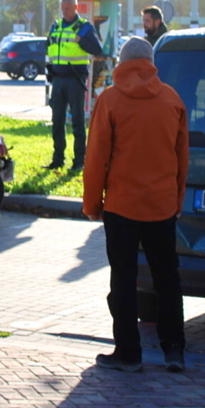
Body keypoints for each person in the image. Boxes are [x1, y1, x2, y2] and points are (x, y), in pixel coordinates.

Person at [83, 37, 189, 373]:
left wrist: (92, 203)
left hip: (121, 204)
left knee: (123, 279)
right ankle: (174, 349)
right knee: (167, 278)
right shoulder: (172, 100)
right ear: (152, 62)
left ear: (121, 62)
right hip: (161, 205)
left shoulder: (110, 100)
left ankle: (128, 351)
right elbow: (181, 157)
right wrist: (177, 199)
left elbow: (96, 157)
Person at [45, 0, 103, 170]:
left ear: (76, 8)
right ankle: (57, 159)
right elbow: (49, 48)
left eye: (68, 8)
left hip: (75, 79)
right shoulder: (56, 26)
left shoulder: (83, 27)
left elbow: (97, 49)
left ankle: (79, 161)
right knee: (57, 121)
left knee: (77, 122)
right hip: (58, 78)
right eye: (62, 8)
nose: (65, 12)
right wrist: (50, 72)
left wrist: (82, 40)